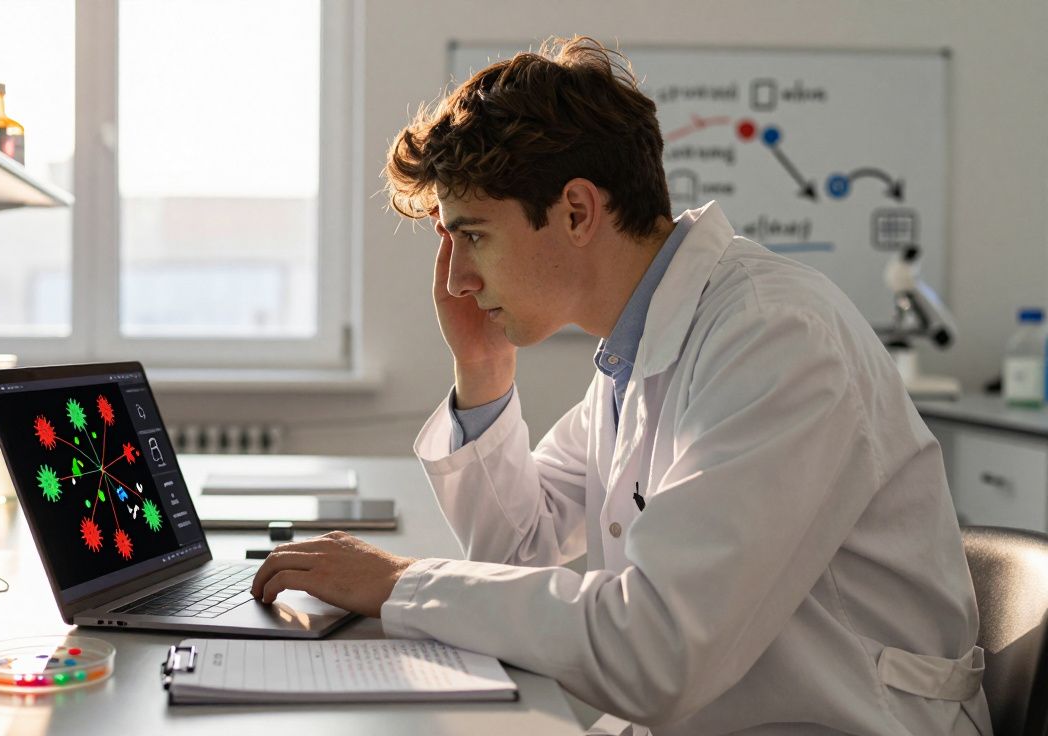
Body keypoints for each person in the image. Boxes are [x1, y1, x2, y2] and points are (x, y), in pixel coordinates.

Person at [250, 36, 991, 736]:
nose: (456, 279)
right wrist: (483, 371)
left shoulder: (775, 338)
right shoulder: (636, 348)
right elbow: (522, 548)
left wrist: (401, 584)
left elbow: (657, 647)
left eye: (472, 235)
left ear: (576, 211)